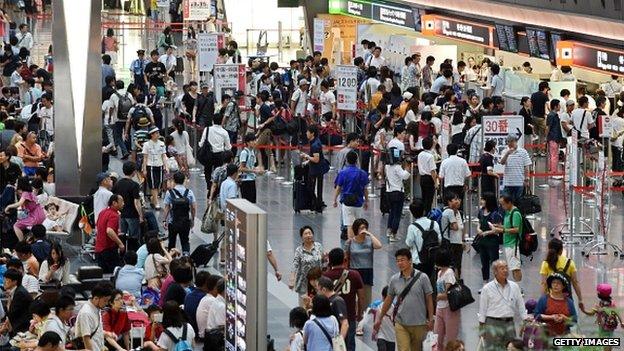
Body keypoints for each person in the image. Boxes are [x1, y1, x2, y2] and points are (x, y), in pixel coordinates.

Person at [374, 248, 434, 351]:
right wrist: (380, 318)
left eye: (402, 260)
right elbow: (388, 300)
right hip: (401, 323)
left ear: (410, 260)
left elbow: (429, 299)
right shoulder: (394, 279)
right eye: (397, 261)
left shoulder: (422, 277)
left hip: (419, 323)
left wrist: (431, 319)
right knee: (404, 349)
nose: (399, 263)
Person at [478, 260, 528, 350]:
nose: (505, 270)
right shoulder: (487, 288)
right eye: (502, 268)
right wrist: (481, 328)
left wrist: (525, 320)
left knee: (511, 348)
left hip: (509, 324)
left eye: (506, 268)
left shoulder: (514, 286)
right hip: (492, 323)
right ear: (495, 271)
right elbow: (482, 310)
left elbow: (521, 305)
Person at [323, 248, 364, 351]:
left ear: (330, 260)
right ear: (344, 259)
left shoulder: (325, 276)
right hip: (349, 316)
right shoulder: (354, 274)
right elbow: (361, 297)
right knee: (349, 344)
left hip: (330, 317)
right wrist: (359, 313)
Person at [345, 218, 382, 312]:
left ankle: (365, 316)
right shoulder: (350, 242)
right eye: (361, 228)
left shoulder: (370, 240)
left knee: (366, 297)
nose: (363, 230)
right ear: (356, 229)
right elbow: (346, 256)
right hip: (354, 271)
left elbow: (379, 246)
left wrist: (370, 235)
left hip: (367, 271)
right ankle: (355, 314)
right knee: (353, 296)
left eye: (365, 228)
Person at [333, 151, 369, 240]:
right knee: (358, 224)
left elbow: (338, 188)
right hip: (358, 201)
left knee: (349, 225)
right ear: (357, 160)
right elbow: (365, 189)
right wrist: (366, 201)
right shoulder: (362, 173)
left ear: (347, 160)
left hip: (347, 201)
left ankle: (350, 244)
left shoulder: (343, 173)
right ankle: (358, 242)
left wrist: (334, 200)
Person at [539, 238, 583, 306]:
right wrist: (580, 300)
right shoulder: (570, 263)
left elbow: (544, 284)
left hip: (551, 300)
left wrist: (542, 302)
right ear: (561, 250)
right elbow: (575, 283)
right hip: (567, 300)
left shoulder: (546, 263)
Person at [491, 194, 523, 284]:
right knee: (512, 267)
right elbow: (508, 226)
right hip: (508, 243)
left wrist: (502, 230)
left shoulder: (515, 213)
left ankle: (519, 287)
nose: (502, 207)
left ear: (509, 203)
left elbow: (516, 229)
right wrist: (499, 226)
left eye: (503, 204)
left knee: (515, 267)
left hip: (513, 244)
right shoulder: (507, 213)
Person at [162, 171, 196, 255]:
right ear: (184, 180)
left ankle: (171, 260)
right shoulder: (189, 192)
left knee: (172, 242)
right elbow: (194, 208)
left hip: (172, 222)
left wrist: (164, 220)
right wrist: (192, 219)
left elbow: (166, 207)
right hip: (185, 221)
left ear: (174, 180)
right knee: (185, 241)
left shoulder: (169, 193)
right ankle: (186, 257)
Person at [289, 226, 324, 303]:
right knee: (304, 306)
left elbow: (323, 261)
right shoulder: (299, 250)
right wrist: (292, 279)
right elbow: (295, 265)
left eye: (310, 233)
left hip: (317, 282)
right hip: (304, 283)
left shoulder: (318, 246)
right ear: (302, 236)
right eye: (305, 234)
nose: (308, 235)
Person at [433, 249, 460, 349]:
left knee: (450, 339)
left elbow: (449, 292)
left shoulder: (449, 272)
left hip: (450, 308)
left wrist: (439, 296)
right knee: (437, 337)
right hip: (440, 308)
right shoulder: (439, 272)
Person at [475, 193, 503, 288]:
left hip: (492, 241)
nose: (481, 201)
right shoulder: (481, 211)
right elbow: (479, 222)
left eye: (483, 199)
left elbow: (498, 229)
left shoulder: (495, 214)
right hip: (482, 241)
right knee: (484, 262)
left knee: (494, 262)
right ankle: (485, 282)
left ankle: (498, 281)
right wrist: (478, 229)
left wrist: (487, 232)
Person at [75, 282, 114, 351]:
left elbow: (95, 330)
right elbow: (86, 338)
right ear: (96, 298)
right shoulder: (86, 313)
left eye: (108, 301)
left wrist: (106, 333)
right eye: (105, 301)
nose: (107, 303)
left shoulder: (97, 308)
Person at [384, 147, 410, 242]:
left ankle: (389, 230)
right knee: (397, 214)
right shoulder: (397, 167)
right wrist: (407, 168)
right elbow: (405, 176)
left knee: (392, 212)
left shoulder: (387, 167)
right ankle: (393, 234)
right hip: (398, 192)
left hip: (389, 192)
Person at [95, 194, 125, 274]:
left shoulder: (102, 212)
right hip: (108, 250)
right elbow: (109, 231)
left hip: (98, 249)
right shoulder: (114, 215)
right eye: (121, 201)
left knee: (102, 275)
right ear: (114, 203)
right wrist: (120, 243)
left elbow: (99, 226)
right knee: (116, 273)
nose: (123, 203)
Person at [199, 113, 231, 186]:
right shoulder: (224, 132)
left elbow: (201, 143)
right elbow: (228, 147)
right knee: (218, 172)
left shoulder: (207, 129)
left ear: (213, 121)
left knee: (207, 171)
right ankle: (216, 188)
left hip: (208, 154)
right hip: (219, 155)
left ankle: (208, 186)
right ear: (222, 121)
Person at [301, 125, 328, 213]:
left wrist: (306, 156)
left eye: (308, 132)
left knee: (310, 187)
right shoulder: (315, 142)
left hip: (315, 169)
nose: (306, 133)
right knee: (319, 188)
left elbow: (316, 159)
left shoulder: (315, 145)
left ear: (312, 133)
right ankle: (319, 205)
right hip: (318, 168)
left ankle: (317, 204)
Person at [500, 135, 531, 203]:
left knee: (518, 203)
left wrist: (527, 179)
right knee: (506, 203)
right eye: (508, 141)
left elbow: (526, 166)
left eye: (512, 141)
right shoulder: (505, 151)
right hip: (508, 182)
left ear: (516, 141)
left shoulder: (523, 152)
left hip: (519, 182)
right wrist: (507, 154)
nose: (510, 143)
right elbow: (502, 162)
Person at [1, 268, 33, 335]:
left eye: (6, 280)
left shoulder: (20, 293)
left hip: (22, 329)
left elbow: (11, 313)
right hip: (17, 325)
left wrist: (4, 327)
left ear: (14, 281)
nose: (4, 282)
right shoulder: (17, 290)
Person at [143, 126, 168, 209]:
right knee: (153, 185)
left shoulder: (161, 143)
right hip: (151, 166)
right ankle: (156, 202)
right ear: (152, 135)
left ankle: (153, 198)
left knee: (160, 184)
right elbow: (145, 157)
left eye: (158, 133)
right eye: (156, 133)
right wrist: (144, 168)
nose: (158, 134)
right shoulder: (146, 144)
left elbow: (164, 156)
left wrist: (166, 166)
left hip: (160, 165)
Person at [440, 192, 465, 277]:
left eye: (458, 199)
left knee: (457, 265)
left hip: (458, 243)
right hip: (450, 243)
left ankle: (456, 283)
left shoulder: (459, 212)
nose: (458, 201)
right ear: (449, 202)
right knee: (452, 265)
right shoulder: (449, 211)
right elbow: (455, 227)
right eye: (455, 199)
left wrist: (463, 241)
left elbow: (460, 228)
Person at [439, 144, 470, 208]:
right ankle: (459, 217)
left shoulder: (444, 162)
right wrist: (465, 184)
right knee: (459, 207)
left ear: (447, 151)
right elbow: (468, 175)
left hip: (448, 188)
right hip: (460, 187)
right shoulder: (463, 161)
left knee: (448, 208)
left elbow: (441, 176)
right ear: (457, 151)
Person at [239, 133, 264, 203]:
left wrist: (258, 169)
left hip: (252, 179)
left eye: (255, 140)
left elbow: (251, 166)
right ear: (247, 142)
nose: (255, 142)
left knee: (252, 202)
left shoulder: (252, 152)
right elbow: (241, 168)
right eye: (252, 141)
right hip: (245, 181)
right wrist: (254, 171)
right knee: (247, 203)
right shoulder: (244, 153)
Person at [195, 274, 221, 338]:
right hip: (207, 338)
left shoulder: (206, 298)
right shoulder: (213, 301)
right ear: (215, 288)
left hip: (204, 334)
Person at [530, 82, 550, 155]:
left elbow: (531, 106)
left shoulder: (533, 95)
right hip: (541, 118)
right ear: (545, 88)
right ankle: (542, 151)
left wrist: (532, 114)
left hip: (534, 117)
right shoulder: (545, 96)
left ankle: (535, 151)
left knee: (535, 135)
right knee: (543, 135)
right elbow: (548, 106)